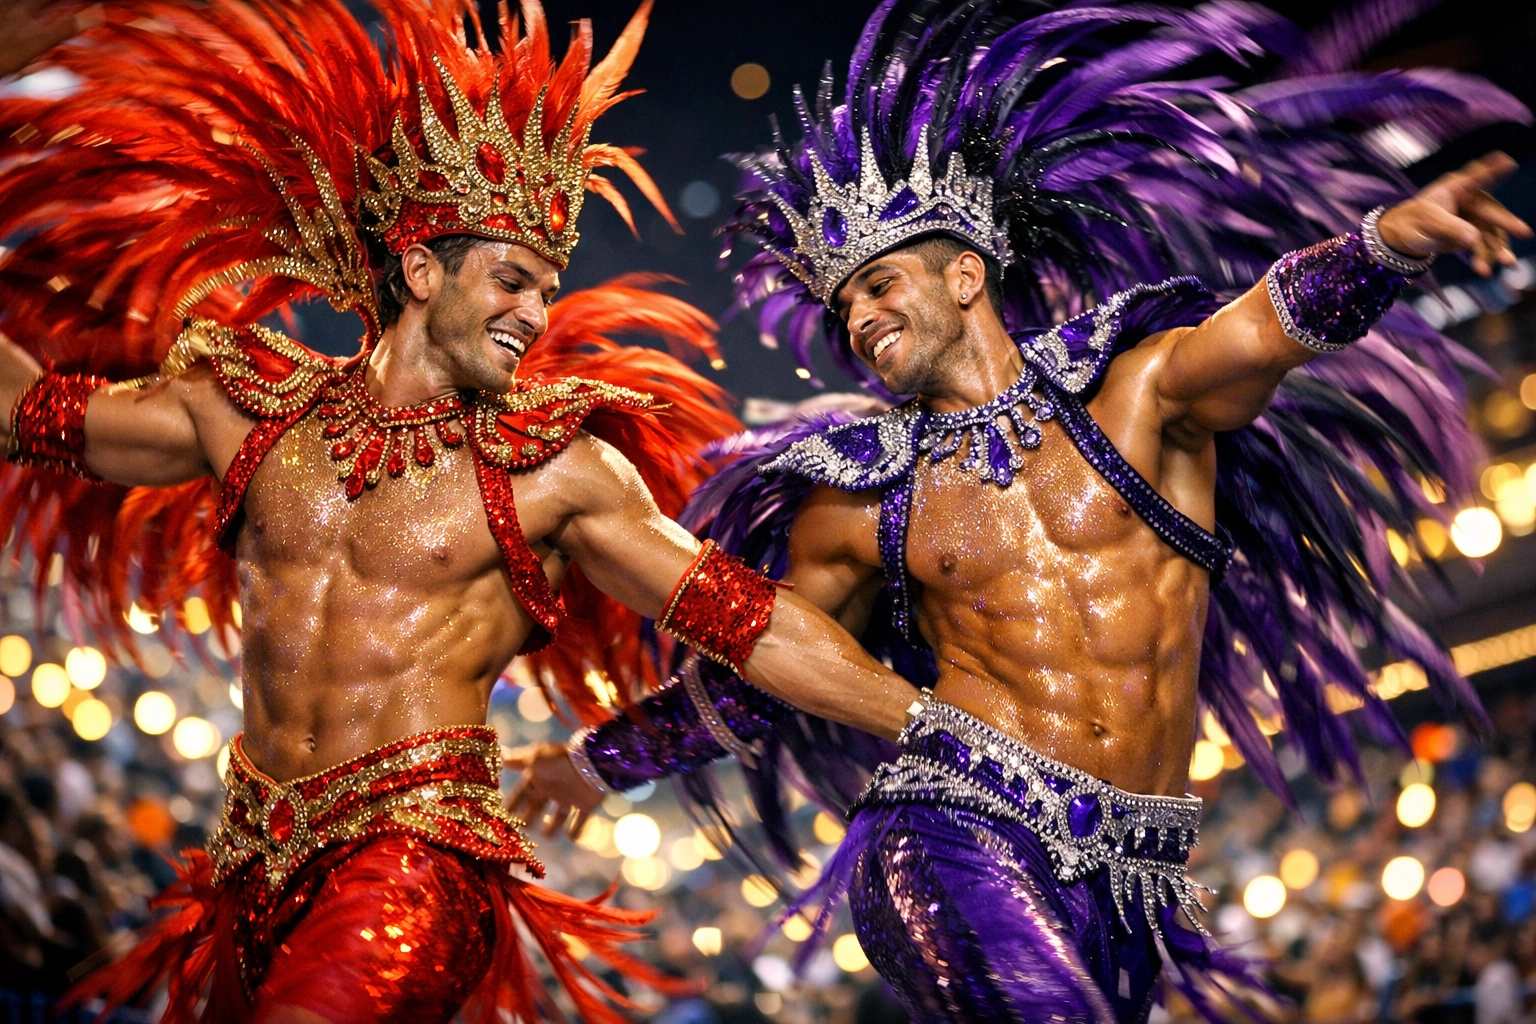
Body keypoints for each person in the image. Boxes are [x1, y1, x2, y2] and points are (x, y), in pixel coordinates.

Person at [506, 2, 1531, 1021]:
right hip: (951, 830)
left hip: (1137, 877)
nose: (859, 317)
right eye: (844, 306)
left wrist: (1385, 245)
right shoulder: (861, 496)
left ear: (965, 272)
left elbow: (1262, 329)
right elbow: (765, 666)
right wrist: (602, 761)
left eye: (879, 282)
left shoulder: (1136, 396)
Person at [0, 1, 920, 1021]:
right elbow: (21, 413)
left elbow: (750, 622)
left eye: (546, 286)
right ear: (423, 266)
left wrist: (934, 725)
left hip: (418, 866)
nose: (537, 311)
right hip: (246, 868)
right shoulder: (246, 411)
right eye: (513, 279)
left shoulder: (556, 474)